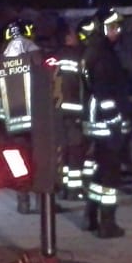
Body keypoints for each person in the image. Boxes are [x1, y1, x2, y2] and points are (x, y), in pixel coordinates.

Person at [82, 6, 132, 238]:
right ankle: (107, 223)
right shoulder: (103, 55)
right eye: (113, 27)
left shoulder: (95, 51)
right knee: (110, 174)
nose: (117, 31)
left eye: (118, 27)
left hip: (98, 122)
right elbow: (104, 92)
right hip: (106, 123)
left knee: (100, 171)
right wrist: (115, 120)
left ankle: (92, 217)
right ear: (103, 28)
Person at [0, 18, 47, 214]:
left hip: (11, 121)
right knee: (39, 159)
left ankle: (23, 201)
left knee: (20, 161)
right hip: (37, 119)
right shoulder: (35, 56)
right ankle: (42, 201)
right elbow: (48, 83)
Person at [46, 15, 95, 202]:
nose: (77, 38)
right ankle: (73, 190)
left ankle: (62, 186)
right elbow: (86, 84)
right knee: (75, 150)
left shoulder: (52, 58)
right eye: (74, 35)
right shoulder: (78, 56)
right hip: (74, 111)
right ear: (68, 37)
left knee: (62, 150)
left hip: (56, 112)